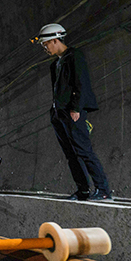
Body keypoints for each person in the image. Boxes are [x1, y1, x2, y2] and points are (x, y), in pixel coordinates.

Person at [32, 24, 111, 201]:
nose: (45, 48)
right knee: (71, 154)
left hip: (73, 112)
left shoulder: (75, 56)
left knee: (84, 151)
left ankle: (103, 190)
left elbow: (81, 83)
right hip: (59, 113)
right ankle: (83, 190)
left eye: (46, 44)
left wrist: (76, 108)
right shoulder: (55, 64)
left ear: (55, 40)